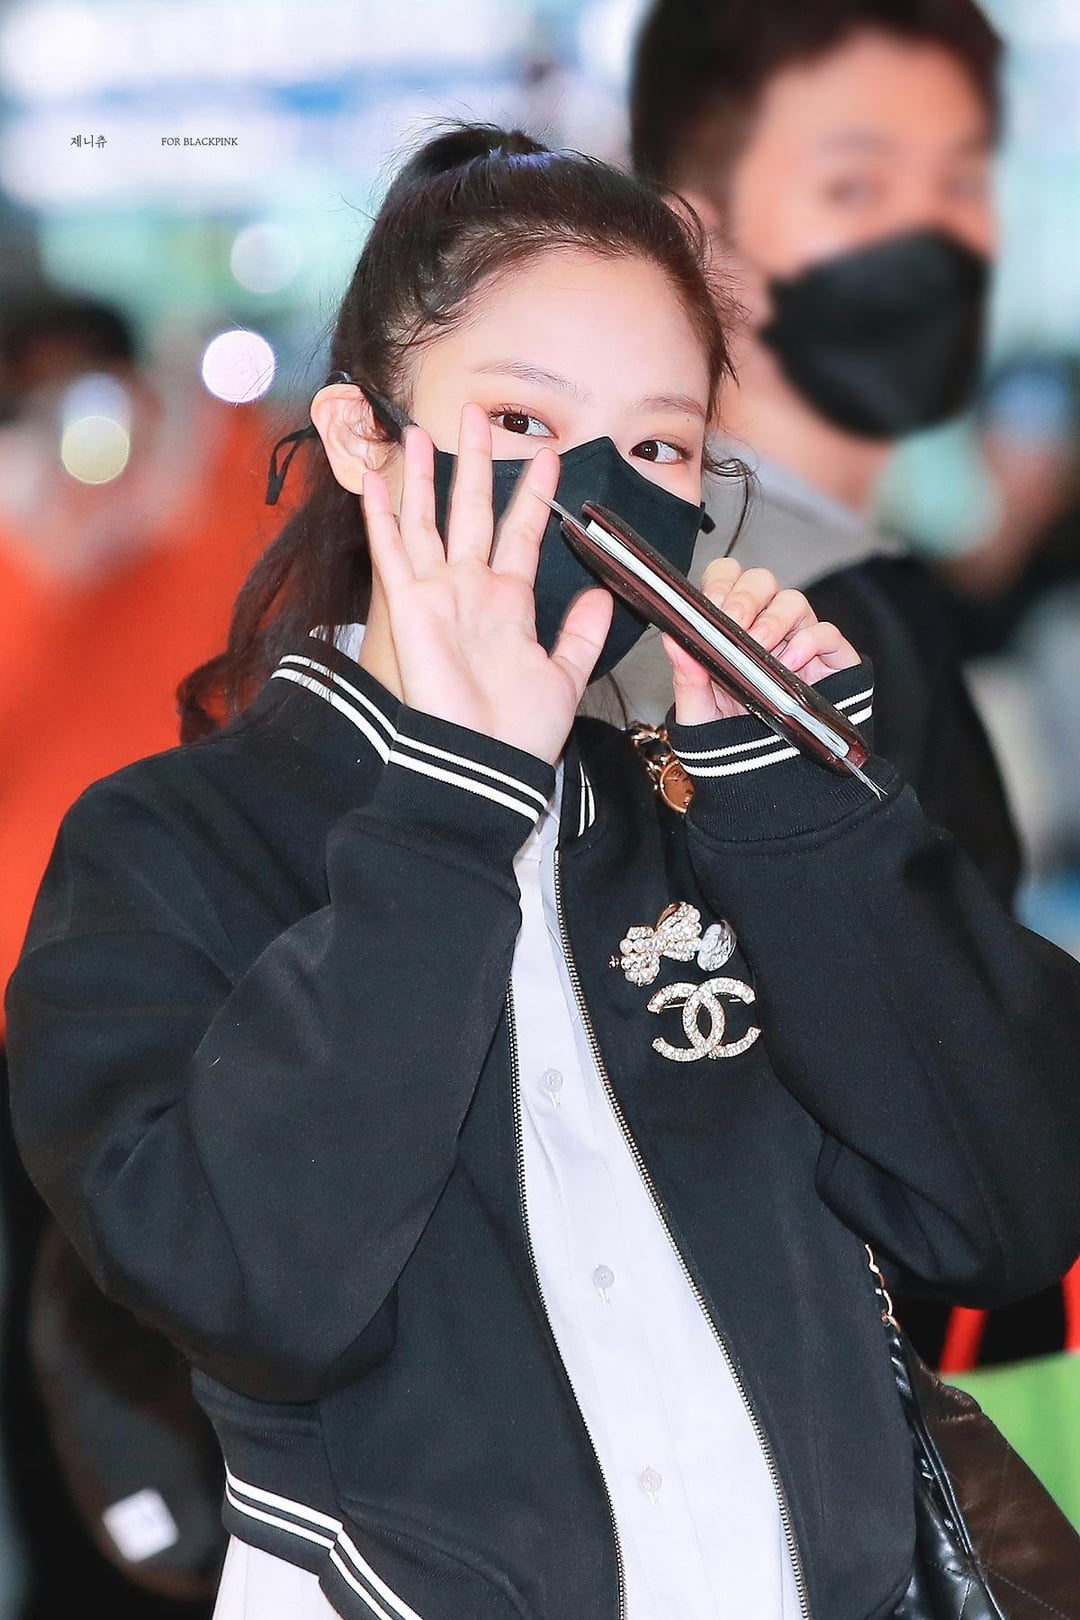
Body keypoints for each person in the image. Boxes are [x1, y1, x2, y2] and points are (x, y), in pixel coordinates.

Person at [6, 125, 1080, 1620]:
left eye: (659, 447)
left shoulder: (710, 815)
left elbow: (1006, 1213)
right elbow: (253, 1284)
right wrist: (455, 798)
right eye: (519, 419)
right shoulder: (171, 849)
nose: (594, 494)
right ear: (365, 439)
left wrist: (810, 818)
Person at [602, 0, 1021, 918]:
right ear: (695, 240)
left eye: (962, 180)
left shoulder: (864, 578)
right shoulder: (746, 621)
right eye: (855, 189)